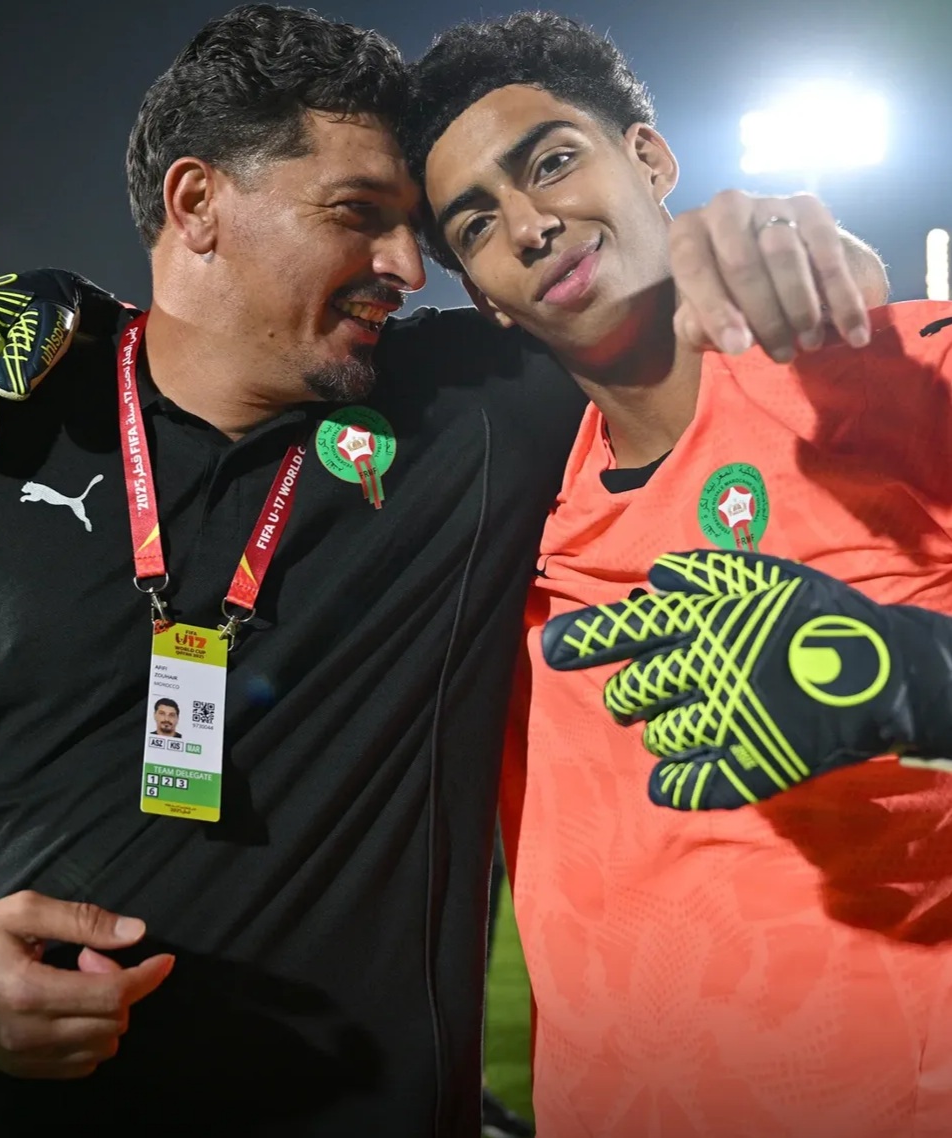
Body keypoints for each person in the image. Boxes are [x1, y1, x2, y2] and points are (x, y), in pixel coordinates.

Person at [0, 7, 888, 1136]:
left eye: (417, 227)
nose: (408, 268)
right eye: (358, 215)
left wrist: (762, 233)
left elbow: (650, 294)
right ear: (196, 203)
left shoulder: (474, 409)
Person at [399, 11, 952, 1136]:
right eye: (478, 223)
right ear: (484, 296)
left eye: (551, 161)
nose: (531, 224)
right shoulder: (504, 521)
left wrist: (915, 675)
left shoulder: (907, 375)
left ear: (649, 157)